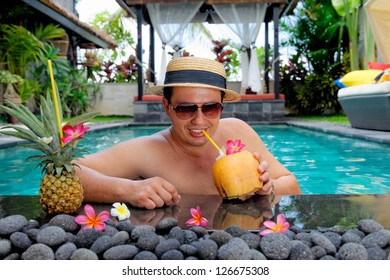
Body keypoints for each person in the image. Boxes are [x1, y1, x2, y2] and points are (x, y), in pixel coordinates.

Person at [75, 57, 301, 209]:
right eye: (185, 108)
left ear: (221, 106)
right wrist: (127, 190)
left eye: (211, 108)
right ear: (167, 107)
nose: (199, 120)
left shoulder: (238, 131)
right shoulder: (147, 150)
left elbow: (292, 184)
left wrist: (268, 188)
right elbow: (67, 173)